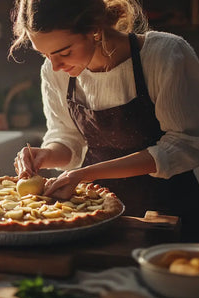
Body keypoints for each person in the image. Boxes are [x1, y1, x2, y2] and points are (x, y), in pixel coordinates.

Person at [10, 0, 199, 241]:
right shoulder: (54, 71)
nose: (55, 66)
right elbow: (68, 138)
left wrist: (85, 174)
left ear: (95, 29)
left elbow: (185, 144)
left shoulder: (164, 55)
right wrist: (46, 154)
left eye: (64, 52)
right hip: (95, 213)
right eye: (45, 54)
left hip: (168, 213)